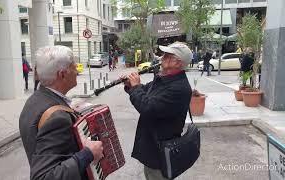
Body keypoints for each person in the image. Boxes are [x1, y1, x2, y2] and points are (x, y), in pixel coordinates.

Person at [19, 46, 104, 180]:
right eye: (73, 66)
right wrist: (88, 154)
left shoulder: (35, 100)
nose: (76, 70)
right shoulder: (57, 118)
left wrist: (70, 110)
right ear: (62, 74)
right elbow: (44, 177)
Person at [122, 42, 192, 180]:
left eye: (168, 55)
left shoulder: (179, 88)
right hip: (152, 148)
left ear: (178, 63)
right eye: (164, 54)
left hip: (160, 152)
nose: (163, 57)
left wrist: (135, 88)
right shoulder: (164, 78)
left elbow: (147, 108)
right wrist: (131, 86)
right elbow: (145, 91)